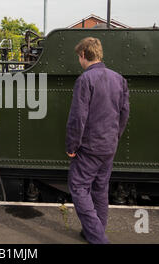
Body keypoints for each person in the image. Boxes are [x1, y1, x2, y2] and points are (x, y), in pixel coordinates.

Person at [65, 37, 129, 244]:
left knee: (78, 188)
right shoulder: (119, 79)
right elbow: (124, 113)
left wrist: (72, 146)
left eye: (79, 57)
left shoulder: (85, 80)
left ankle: (99, 238)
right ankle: (95, 230)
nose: (79, 61)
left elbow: (78, 117)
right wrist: (114, 137)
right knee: (100, 189)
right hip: (109, 145)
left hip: (89, 147)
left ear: (83, 54)